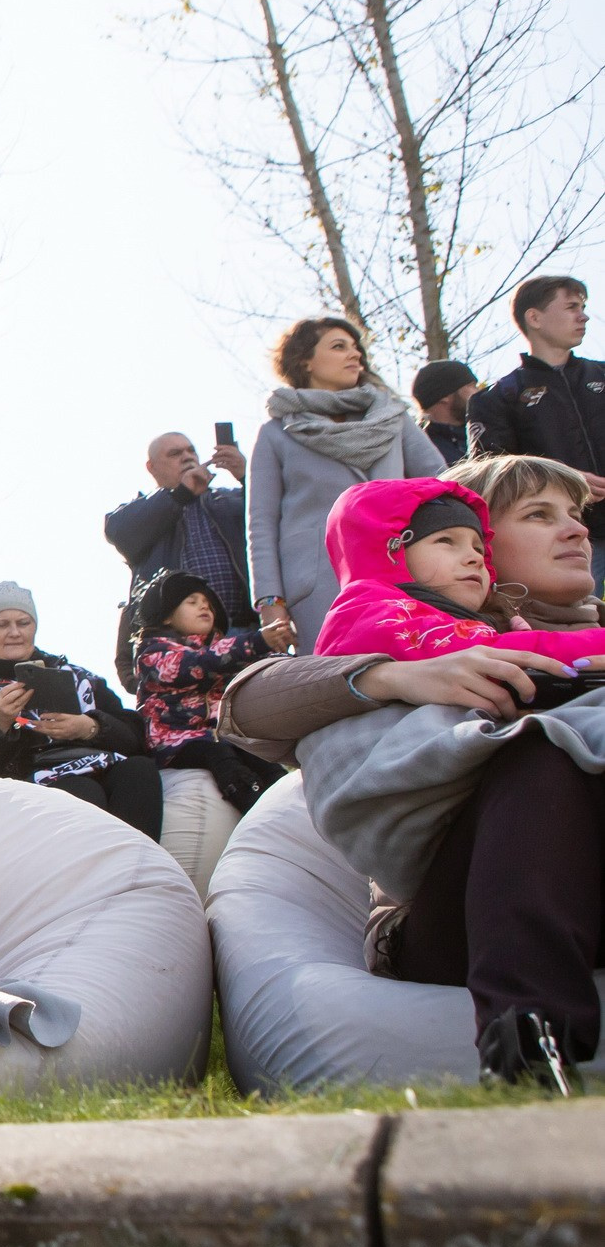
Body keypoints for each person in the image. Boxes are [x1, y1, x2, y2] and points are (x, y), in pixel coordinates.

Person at [217, 453, 605, 1088]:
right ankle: (530, 1050)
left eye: (575, 514)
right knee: (541, 746)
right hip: (456, 919)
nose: (577, 530)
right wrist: (392, 677)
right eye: (540, 515)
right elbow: (248, 704)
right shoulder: (409, 630)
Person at [250, 316, 450, 653]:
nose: (354, 354)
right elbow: (261, 523)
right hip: (319, 584)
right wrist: (270, 602)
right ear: (305, 360)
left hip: (401, 568)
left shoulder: (392, 417)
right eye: (338, 346)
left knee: (413, 669)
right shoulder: (275, 432)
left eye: (356, 347)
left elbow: (442, 483)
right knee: (336, 678)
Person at [0, 582, 162, 839]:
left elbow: (137, 735)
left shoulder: (79, 677)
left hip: (100, 765)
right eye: (1, 625)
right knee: (80, 792)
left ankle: (140, 863)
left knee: (139, 772)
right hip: (18, 795)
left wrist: (91, 727)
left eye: (24, 623)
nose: (15, 632)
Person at [310, 477, 605, 666]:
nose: (474, 558)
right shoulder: (374, 612)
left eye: (478, 548)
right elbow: (495, 652)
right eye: (446, 541)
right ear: (393, 553)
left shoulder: (465, 620)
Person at [467, 275, 605, 568]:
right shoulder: (497, 398)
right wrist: (563, 480)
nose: (583, 316)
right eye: (571, 307)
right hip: (563, 540)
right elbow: (493, 476)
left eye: (582, 307)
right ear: (534, 318)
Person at [104, 430, 255, 679]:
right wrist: (182, 494)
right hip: (175, 646)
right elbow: (119, 532)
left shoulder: (230, 500)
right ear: (152, 468)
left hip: (245, 633)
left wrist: (246, 476)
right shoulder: (139, 511)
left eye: (191, 450)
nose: (187, 457)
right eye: (175, 453)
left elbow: (272, 516)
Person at [128, 570, 280, 813]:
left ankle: (288, 798)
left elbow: (245, 669)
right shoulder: (153, 654)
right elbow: (199, 664)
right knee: (219, 754)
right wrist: (256, 643)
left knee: (257, 753)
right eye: (192, 602)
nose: (204, 607)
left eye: (207, 603)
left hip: (218, 736)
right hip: (174, 743)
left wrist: (281, 660)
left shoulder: (219, 651)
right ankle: (254, 805)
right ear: (166, 617)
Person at [412, 360, 479, 467]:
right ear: (445, 395)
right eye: (471, 386)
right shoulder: (420, 453)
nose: (478, 392)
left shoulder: (484, 437)